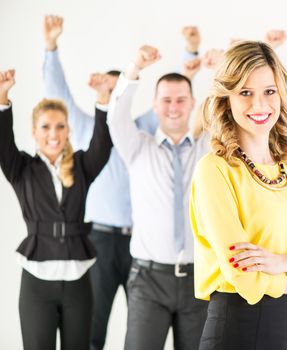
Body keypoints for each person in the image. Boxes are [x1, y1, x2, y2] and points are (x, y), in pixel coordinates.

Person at [42, 15, 202, 349]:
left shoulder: (145, 126)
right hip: (102, 238)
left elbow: (179, 95)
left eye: (121, 94)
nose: (117, 99)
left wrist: (191, 52)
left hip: (146, 247)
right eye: (111, 94)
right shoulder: (91, 129)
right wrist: (51, 47)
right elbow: (61, 94)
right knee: (95, 324)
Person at [189, 40, 287, 350]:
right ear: (226, 99)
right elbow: (243, 276)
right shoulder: (214, 171)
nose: (259, 105)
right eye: (245, 93)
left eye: (269, 91)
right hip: (234, 328)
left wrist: (280, 262)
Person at [0, 69, 112, 350]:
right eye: (46, 127)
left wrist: (102, 99)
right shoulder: (21, 168)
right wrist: (2, 97)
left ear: (68, 130)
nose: (54, 134)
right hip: (37, 282)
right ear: (34, 131)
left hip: (78, 280)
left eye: (60, 126)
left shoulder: (82, 166)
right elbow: (2, 143)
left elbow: (102, 144)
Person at [107, 45, 209, 350]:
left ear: (193, 104)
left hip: (198, 280)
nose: (174, 107)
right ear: (154, 105)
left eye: (181, 100)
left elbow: (230, 113)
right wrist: (135, 66)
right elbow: (116, 117)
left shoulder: (207, 150)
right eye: (166, 100)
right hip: (148, 280)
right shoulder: (138, 147)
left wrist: (222, 68)